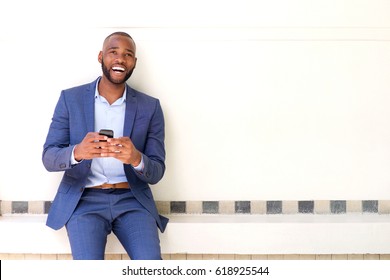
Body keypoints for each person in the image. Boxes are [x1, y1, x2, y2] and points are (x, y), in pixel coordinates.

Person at [42, 31, 168, 260]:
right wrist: (78, 153)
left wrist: (136, 158)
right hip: (84, 201)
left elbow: (157, 170)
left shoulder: (151, 107)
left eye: (128, 54)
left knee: (151, 267)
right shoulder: (70, 99)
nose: (120, 59)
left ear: (134, 63)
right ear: (101, 56)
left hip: (132, 200)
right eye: (113, 52)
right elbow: (49, 157)